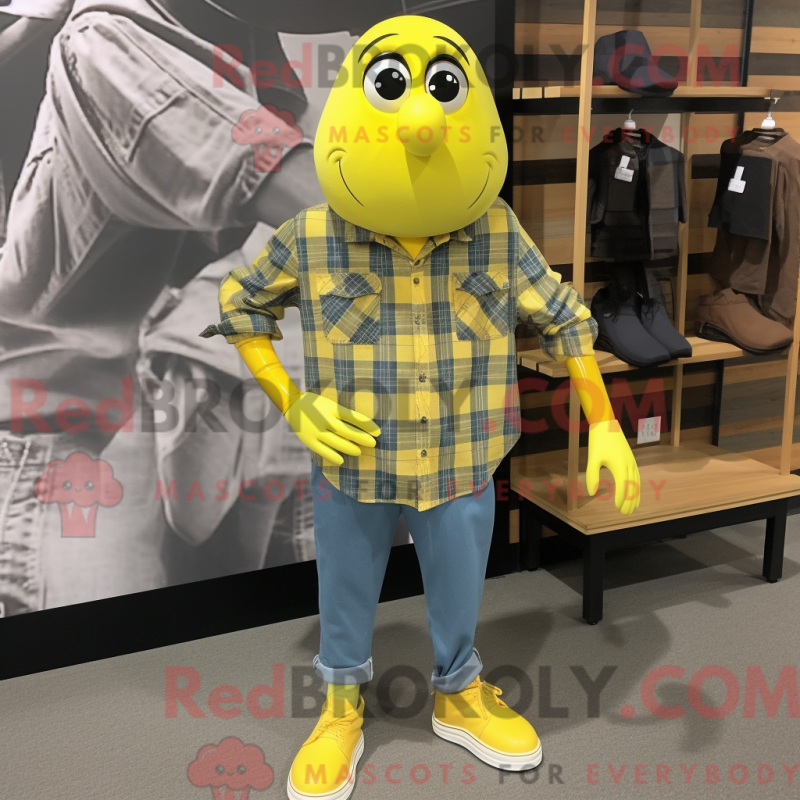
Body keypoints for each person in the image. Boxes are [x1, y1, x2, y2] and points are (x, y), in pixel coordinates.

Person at [202, 15, 641, 800]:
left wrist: (604, 421)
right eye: (391, 84)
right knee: (344, 586)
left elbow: (566, 318)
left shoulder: (497, 231)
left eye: (442, 86)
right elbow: (242, 308)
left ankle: (458, 690)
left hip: (463, 455)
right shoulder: (311, 236)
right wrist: (293, 405)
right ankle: (341, 704)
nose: (421, 121)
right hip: (353, 459)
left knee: (460, 582)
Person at [0, 0, 384, 614]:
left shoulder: (251, 66)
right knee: (109, 661)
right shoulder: (107, 42)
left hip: (128, 426)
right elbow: (315, 203)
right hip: (54, 444)